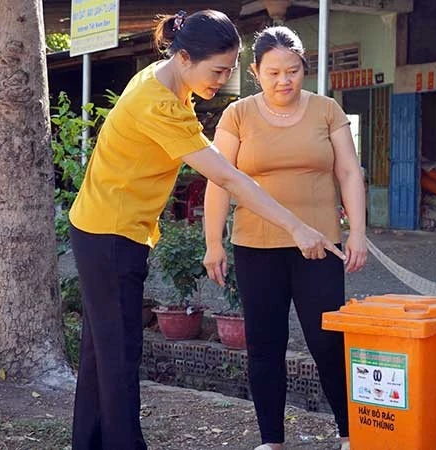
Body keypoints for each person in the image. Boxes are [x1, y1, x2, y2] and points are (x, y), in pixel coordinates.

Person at [67, 11, 344, 450]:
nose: (222, 81)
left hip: (107, 228)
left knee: (102, 353)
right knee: (119, 354)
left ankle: (88, 442)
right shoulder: (158, 104)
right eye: (217, 71)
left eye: (229, 70)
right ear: (183, 57)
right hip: (110, 234)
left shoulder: (164, 85)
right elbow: (229, 177)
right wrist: (296, 226)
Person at [202, 26, 367, 450]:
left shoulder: (327, 110)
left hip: (320, 246)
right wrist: (213, 242)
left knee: (328, 342)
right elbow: (220, 179)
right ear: (255, 71)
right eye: (273, 72)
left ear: (304, 68)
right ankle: (271, 440)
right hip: (255, 247)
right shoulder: (237, 114)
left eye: (292, 71)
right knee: (265, 345)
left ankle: (349, 434)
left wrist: (358, 234)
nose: (284, 81)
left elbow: (349, 172)